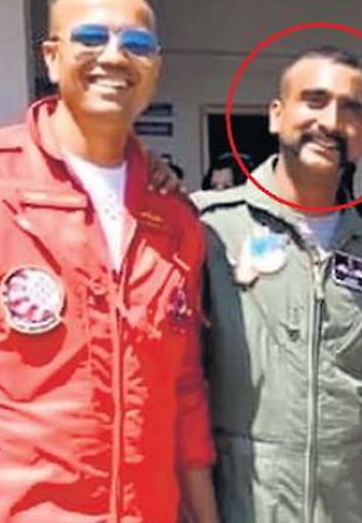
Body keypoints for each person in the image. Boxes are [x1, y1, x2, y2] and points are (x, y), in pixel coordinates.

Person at [0, 0, 218, 521]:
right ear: (51, 58)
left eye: (137, 45)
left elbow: (184, 391)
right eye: (91, 38)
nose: (115, 57)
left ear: (155, 69)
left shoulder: (175, 221)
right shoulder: (7, 187)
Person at [193, 46, 362, 523]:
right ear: (276, 114)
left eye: (350, 109)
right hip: (240, 501)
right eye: (314, 100)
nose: (331, 121)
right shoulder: (209, 227)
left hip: (346, 505)